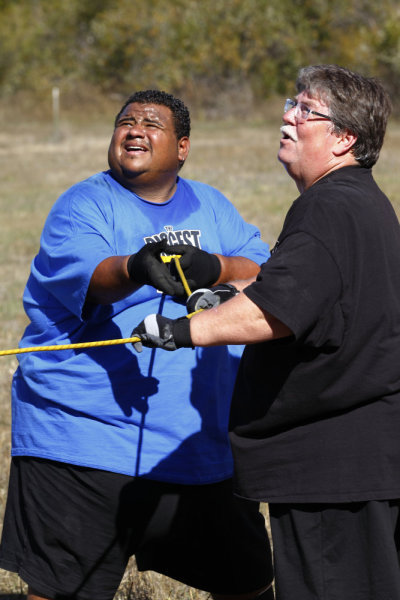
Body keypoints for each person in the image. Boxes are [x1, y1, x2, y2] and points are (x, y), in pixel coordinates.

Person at [132, 66, 400, 599]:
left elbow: (274, 311)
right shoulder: (362, 202)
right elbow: (316, 299)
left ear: (344, 139)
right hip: (364, 459)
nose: (288, 117)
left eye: (306, 111)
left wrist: (181, 330)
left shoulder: (328, 208)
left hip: (332, 468)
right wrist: (226, 295)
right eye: (290, 103)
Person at [0, 90, 274, 600]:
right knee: (63, 591)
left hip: (196, 441)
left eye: (152, 123)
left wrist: (214, 266)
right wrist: (138, 266)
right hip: (83, 441)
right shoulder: (82, 205)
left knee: (250, 584)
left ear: (183, 147)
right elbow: (98, 278)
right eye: (125, 121)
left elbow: (263, 271)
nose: (134, 130)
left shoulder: (212, 205)